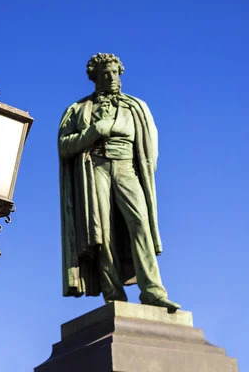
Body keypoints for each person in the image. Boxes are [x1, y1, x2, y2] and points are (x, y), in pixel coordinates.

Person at [58, 53, 180, 309]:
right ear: (95, 78)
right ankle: (113, 295)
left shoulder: (136, 107)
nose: (112, 78)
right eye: (105, 74)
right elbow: (63, 145)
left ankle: (153, 291)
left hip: (127, 167)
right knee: (102, 232)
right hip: (96, 168)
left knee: (140, 223)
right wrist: (93, 132)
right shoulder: (78, 110)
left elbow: (150, 150)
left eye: (115, 72)